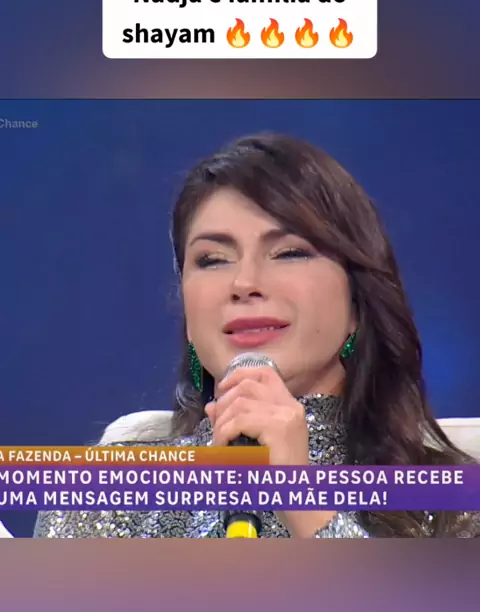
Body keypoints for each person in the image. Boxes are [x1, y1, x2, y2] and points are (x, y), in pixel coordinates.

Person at [34, 133, 479, 538]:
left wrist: (302, 499)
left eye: (289, 253)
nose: (244, 282)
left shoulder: (454, 506)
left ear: (358, 303)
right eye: (212, 259)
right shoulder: (98, 499)